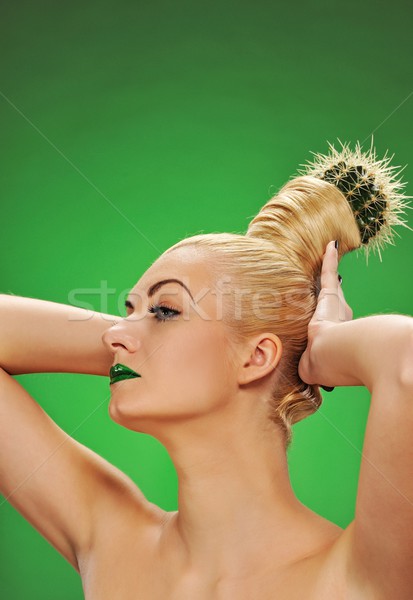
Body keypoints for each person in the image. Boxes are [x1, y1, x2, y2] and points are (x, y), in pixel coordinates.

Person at [0, 140, 412, 599]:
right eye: (127, 312)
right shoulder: (111, 542)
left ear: (256, 358)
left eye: (165, 311)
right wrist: (136, 349)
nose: (115, 333)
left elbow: (406, 360)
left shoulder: (360, 577)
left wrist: (322, 348)